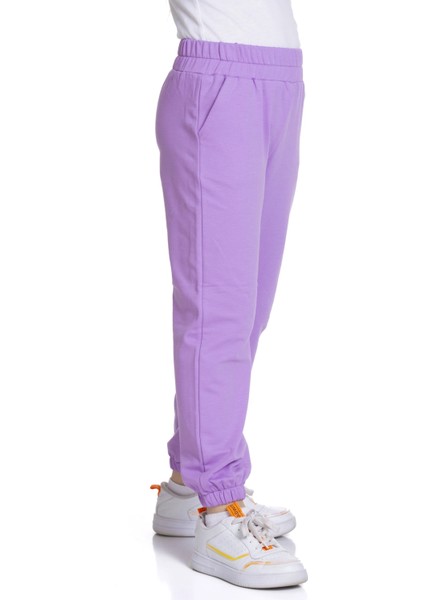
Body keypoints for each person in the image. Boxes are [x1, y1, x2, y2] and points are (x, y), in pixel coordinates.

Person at [150, 0, 307, 588]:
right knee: (218, 308)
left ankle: (187, 486)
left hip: (281, 80)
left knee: (248, 310)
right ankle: (218, 508)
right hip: (218, 81)